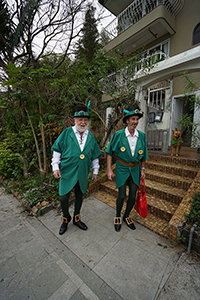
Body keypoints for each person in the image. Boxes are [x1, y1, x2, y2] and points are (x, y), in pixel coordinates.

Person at [51, 103, 101, 235]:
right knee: (63, 197)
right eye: (80, 119)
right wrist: (55, 167)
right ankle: (65, 218)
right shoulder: (67, 133)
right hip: (67, 171)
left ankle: (76, 218)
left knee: (80, 195)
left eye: (85, 120)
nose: (83, 122)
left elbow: (95, 155)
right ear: (75, 120)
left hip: (83, 172)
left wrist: (95, 170)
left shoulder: (90, 136)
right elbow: (57, 150)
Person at [106, 105, 148, 232]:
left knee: (133, 196)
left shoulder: (141, 136)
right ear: (127, 120)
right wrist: (109, 170)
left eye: (137, 119)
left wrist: (143, 169)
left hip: (135, 169)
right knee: (122, 194)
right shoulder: (119, 135)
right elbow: (109, 152)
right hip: (122, 168)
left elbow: (144, 155)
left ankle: (127, 215)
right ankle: (118, 215)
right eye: (133, 119)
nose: (135, 122)